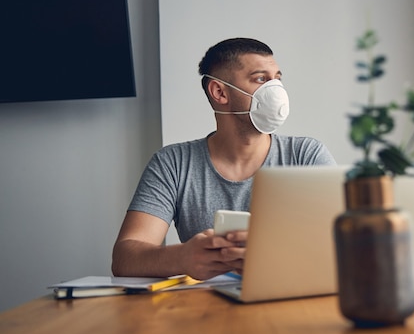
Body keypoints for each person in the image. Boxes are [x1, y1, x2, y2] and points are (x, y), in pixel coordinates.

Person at [112, 38, 336, 280]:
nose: (276, 91)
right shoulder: (173, 163)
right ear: (219, 92)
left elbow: (346, 243)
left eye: (277, 79)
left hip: (290, 300)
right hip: (206, 307)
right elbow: (125, 258)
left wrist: (277, 253)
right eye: (261, 79)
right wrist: (184, 257)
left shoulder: (306, 155)